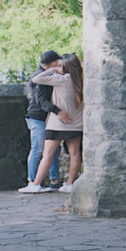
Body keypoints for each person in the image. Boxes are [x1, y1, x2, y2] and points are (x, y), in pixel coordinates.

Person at [25, 53, 84, 194]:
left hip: (58, 123)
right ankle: (69, 184)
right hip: (76, 123)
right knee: (75, 153)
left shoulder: (62, 79)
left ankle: (36, 183)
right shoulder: (82, 80)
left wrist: (53, 69)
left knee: (48, 154)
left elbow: (37, 79)